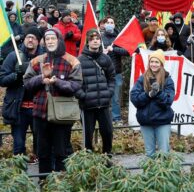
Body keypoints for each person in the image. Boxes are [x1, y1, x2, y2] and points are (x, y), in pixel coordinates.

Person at [23, 28, 82, 177]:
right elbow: (27, 83)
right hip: (40, 114)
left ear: (59, 40)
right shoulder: (37, 60)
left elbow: (76, 85)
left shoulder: (72, 61)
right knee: (43, 153)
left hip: (62, 116)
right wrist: (40, 78)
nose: (49, 41)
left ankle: (60, 187)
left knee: (61, 153)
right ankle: (45, 186)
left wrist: (57, 82)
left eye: (52, 39)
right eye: (47, 39)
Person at [0, 27, 43, 162]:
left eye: (34, 38)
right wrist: (16, 75)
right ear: (24, 39)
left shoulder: (44, 57)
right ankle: (20, 180)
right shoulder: (14, 56)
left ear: (38, 41)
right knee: (18, 146)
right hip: (19, 109)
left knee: (41, 146)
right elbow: (2, 80)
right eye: (28, 37)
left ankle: (43, 179)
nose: (30, 40)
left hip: (39, 109)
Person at [76, 29, 115, 154]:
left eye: (97, 39)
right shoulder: (80, 60)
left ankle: (107, 157)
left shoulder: (106, 59)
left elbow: (112, 78)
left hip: (104, 104)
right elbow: (75, 82)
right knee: (88, 136)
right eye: (92, 39)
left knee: (108, 132)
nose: (95, 41)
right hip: (87, 105)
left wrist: (109, 92)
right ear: (88, 42)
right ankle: (89, 160)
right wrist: (83, 96)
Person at [130, 49, 175, 157]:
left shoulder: (168, 80)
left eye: (156, 62)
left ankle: (162, 174)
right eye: (152, 61)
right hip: (146, 121)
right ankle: (150, 174)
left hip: (162, 121)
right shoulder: (142, 79)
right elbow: (135, 98)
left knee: (164, 153)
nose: (153, 64)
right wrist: (148, 95)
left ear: (161, 64)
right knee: (149, 153)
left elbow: (168, 101)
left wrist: (158, 92)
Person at [102, 17, 129, 123]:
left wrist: (114, 49)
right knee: (103, 95)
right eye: (107, 22)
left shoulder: (119, 38)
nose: (109, 24)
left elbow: (127, 51)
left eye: (111, 22)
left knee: (115, 97)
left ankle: (116, 117)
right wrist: (101, 51)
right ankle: (103, 117)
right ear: (104, 25)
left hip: (116, 71)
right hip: (102, 71)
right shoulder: (99, 37)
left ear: (114, 24)